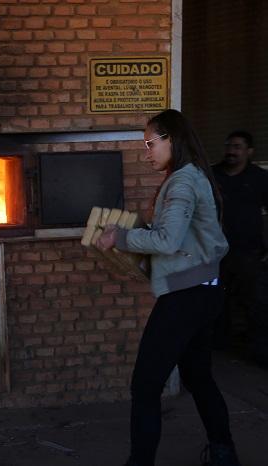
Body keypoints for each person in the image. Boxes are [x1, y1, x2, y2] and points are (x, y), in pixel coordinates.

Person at [97, 109, 241, 465]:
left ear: (171, 140)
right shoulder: (190, 177)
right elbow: (177, 237)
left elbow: (167, 239)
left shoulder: (182, 182)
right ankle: (224, 453)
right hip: (205, 291)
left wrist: (122, 236)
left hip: (186, 297)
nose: (146, 152)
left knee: (145, 385)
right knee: (198, 375)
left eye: (150, 143)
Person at [211, 131, 268, 354]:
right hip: (216, 255)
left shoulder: (259, 178)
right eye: (228, 146)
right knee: (217, 304)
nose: (231, 151)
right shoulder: (212, 175)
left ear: (249, 151)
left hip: (249, 254)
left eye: (237, 147)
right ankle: (220, 349)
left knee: (255, 304)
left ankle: (258, 352)